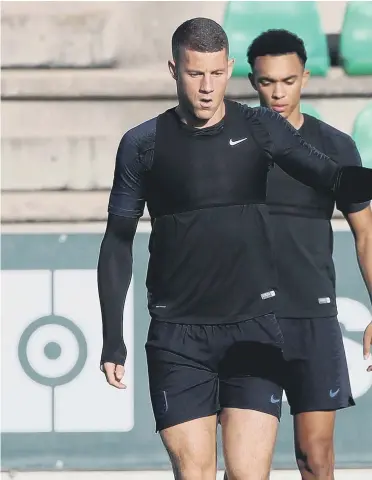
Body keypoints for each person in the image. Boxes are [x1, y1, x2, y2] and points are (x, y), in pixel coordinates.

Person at [97, 18, 372, 480]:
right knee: (197, 473)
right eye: (194, 74)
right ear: (173, 70)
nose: (207, 87)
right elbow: (118, 241)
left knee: (249, 475)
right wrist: (111, 337)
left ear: (228, 69)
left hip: (255, 332)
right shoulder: (142, 144)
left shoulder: (260, 127)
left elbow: (334, 177)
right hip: (178, 336)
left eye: (216, 73)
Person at [225, 29, 372, 480]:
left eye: (288, 80)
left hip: (313, 315)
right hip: (246, 320)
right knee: (246, 467)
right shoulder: (227, 144)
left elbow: (366, 233)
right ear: (253, 82)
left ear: (305, 78)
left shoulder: (338, 147)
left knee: (315, 456)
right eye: (267, 81)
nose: (277, 92)